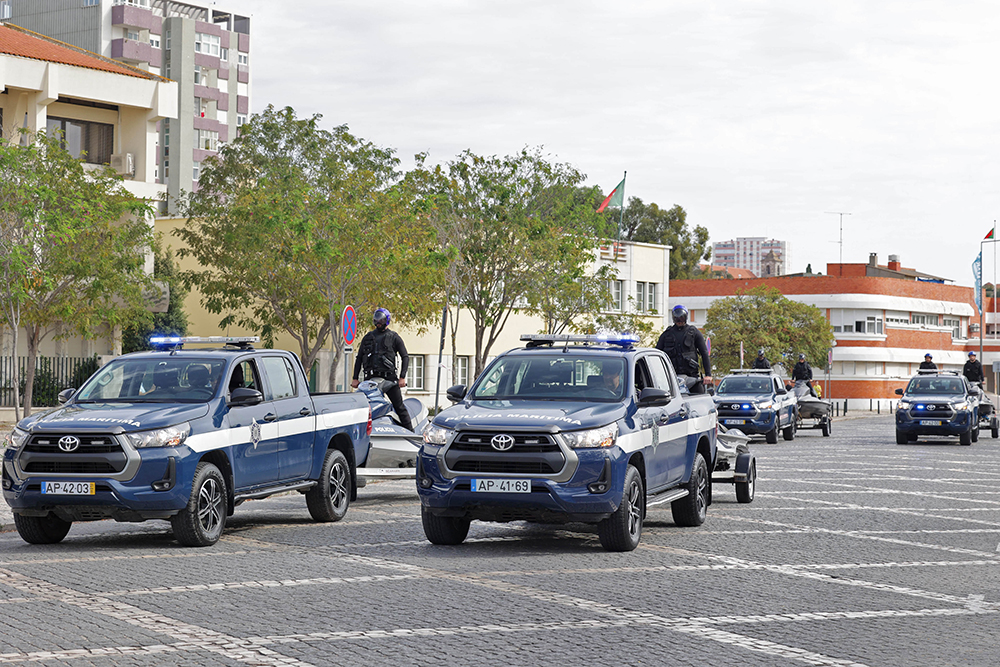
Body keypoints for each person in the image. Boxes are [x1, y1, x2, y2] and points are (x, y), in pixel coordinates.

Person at [351, 308, 413, 430]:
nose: (378, 322)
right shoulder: (368, 337)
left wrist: (402, 377)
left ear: (387, 320)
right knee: (365, 407)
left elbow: (405, 356)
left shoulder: (394, 337)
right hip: (371, 381)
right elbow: (359, 358)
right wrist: (355, 378)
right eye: (376, 319)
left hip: (389, 380)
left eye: (381, 319)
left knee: (399, 407)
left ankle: (413, 434)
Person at [656, 304, 712, 393]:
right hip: (671, 379)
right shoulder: (666, 334)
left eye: (681, 318)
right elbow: (657, 355)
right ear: (673, 318)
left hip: (692, 378)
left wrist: (708, 375)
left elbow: (704, 353)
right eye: (677, 318)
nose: (679, 321)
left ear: (685, 317)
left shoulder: (694, 333)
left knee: (700, 400)